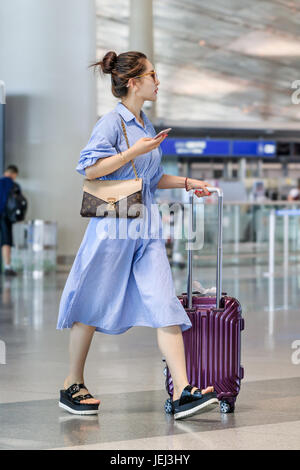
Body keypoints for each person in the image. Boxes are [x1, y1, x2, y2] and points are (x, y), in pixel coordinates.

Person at [56, 50, 219, 420]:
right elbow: (90, 169)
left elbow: (150, 178)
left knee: (165, 305)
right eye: (152, 75)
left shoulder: (145, 123)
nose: (157, 81)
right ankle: (72, 383)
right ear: (133, 82)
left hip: (146, 228)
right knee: (91, 304)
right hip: (113, 227)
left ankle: (182, 392)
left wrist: (189, 182)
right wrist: (133, 150)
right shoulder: (112, 122)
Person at [0, 165, 19, 276]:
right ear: (14, 174)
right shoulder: (14, 185)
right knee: (6, 242)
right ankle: (7, 267)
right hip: (6, 216)